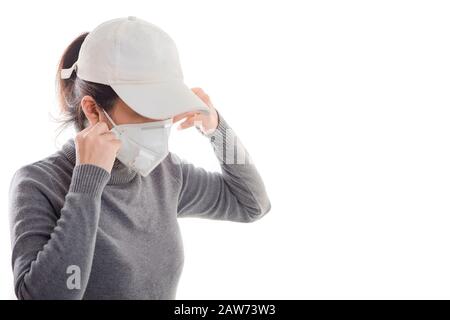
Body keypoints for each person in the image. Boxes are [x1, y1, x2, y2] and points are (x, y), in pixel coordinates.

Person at [8, 16, 271, 300]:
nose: (159, 122)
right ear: (93, 110)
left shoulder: (165, 172)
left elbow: (252, 204)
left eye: (164, 107)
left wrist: (218, 130)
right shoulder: (39, 183)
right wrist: (87, 185)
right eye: (145, 109)